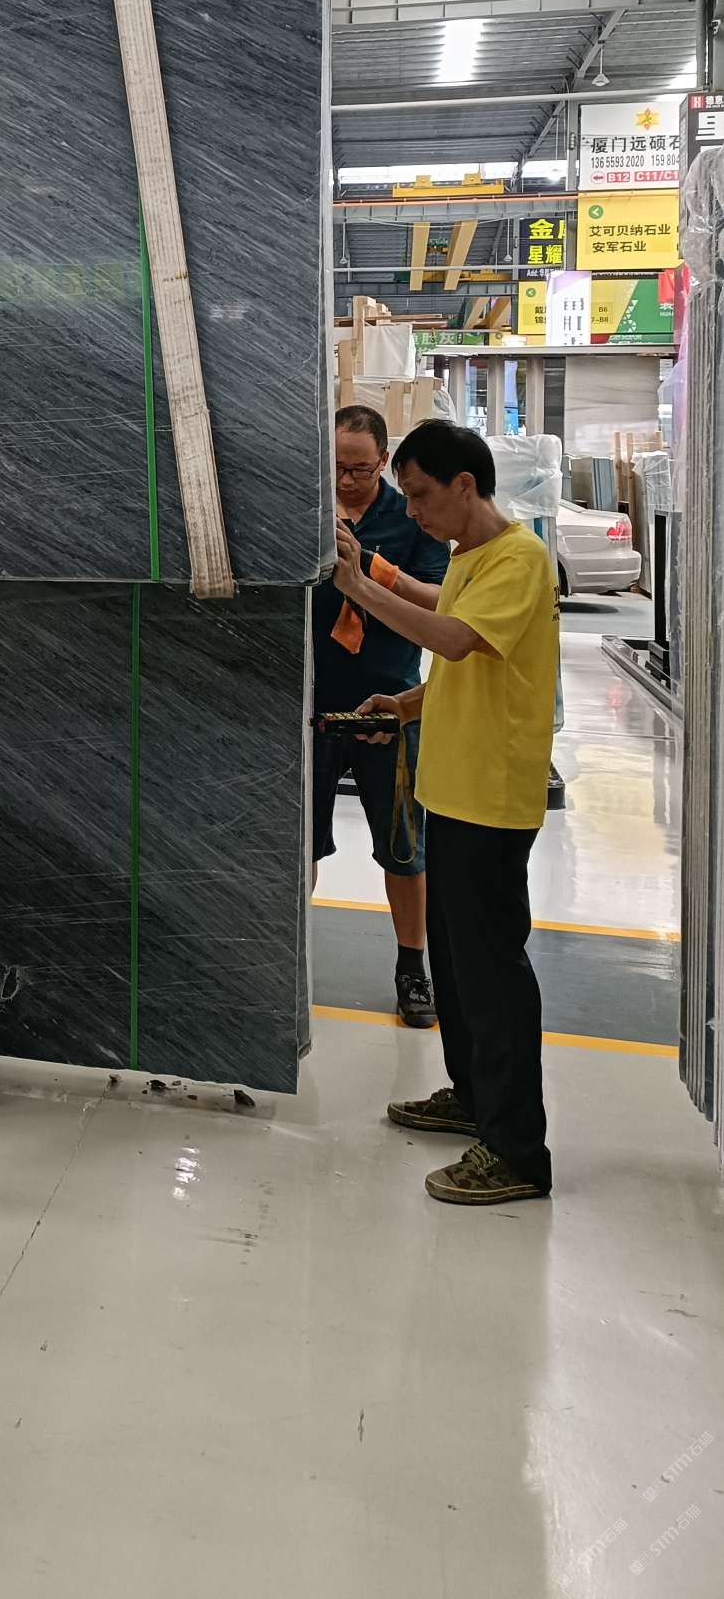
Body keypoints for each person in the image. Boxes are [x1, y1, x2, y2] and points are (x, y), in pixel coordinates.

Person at [334, 418, 560, 1208]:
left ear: (466, 485)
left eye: (422, 495)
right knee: (460, 970)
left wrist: (362, 587)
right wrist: (406, 703)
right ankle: (472, 1097)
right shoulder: (470, 556)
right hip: (452, 790)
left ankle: (518, 1150)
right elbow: (461, 666)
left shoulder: (520, 559)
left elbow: (459, 640)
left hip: (492, 799)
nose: (415, 512)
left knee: (493, 973)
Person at [312, 406, 450, 1025]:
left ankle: (412, 968)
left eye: (361, 470)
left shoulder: (412, 517)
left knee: (404, 846)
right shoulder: (307, 513)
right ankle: (291, 955)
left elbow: (442, 601)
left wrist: (371, 568)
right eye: (338, 468)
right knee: (300, 844)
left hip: (391, 705)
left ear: (383, 463)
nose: (347, 481)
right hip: (313, 704)